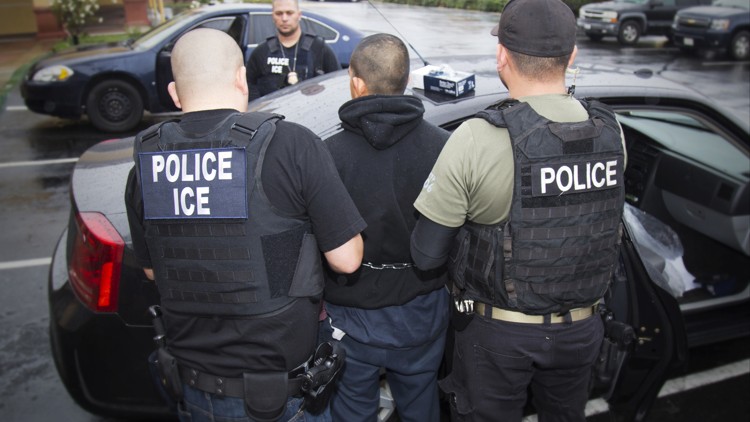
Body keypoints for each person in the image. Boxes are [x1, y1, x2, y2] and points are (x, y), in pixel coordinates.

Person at [124, 28, 366, 422]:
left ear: (174, 93)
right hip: (278, 398)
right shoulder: (290, 145)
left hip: (194, 391)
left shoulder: (147, 166)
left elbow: (154, 270)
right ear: (242, 78)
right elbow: (347, 259)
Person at [409, 0, 628, 421]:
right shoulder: (610, 129)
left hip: (498, 337)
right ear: (572, 56)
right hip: (582, 328)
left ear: (501, 56)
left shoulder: (478, 137)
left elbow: (426, 254)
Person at [320, 33, 451, 422]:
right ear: (405, 80)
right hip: (422, 313)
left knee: (351, 410)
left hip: (350, 317)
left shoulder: (328, 156)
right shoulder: (446, 148)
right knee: (421, 405)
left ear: (357, 83)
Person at [246, 0, 341, 100]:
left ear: (299, 15)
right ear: (273, 16)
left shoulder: (319, 48)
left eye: (289, 13)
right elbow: (249, 86)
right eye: (279, 13)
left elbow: (336, 83)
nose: (284, 18)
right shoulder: (261, 52)